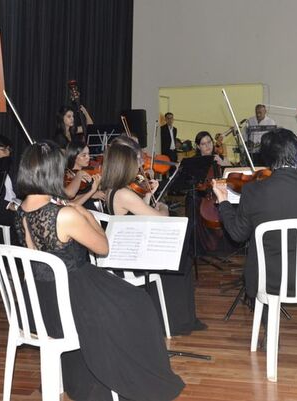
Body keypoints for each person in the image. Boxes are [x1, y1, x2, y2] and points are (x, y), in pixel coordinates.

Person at [14, 141, 184, 401]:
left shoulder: (21, 210)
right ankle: (131, 374)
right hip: (70, 293)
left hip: (38, 300)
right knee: (139, 302)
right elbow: (102, 247)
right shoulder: (64, 215)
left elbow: (35, 255)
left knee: (126, 303)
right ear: (51, 174)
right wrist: (83, 212)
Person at [212, 129, 297, 345]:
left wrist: (223, 202)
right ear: (296, 153)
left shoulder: (253, 192)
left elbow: (238, 234)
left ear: (266, 158)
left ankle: (271, 332)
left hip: (270, 281)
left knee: (265, 261)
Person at [100, 141, 207, 336]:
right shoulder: (124, 194)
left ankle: (183, 318)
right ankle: (178, 321)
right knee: (182, 261)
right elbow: (161, 219)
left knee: (183, 258)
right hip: (131, 259)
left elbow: (141, 214)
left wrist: (149, 196)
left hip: (126, 250)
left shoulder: (112, 190)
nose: (137, 166)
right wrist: (163, 206)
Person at [64, 139, 105, 208]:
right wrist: (92, 193)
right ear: (73, 156)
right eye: (84, 155)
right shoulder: (68, 176)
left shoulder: (85, 172)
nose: (88, 157)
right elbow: (70, 201)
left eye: (88, 154)